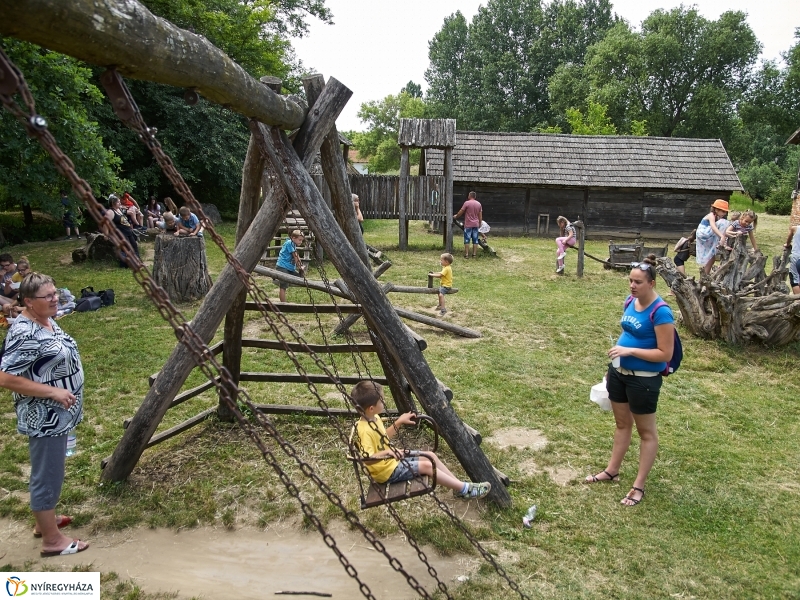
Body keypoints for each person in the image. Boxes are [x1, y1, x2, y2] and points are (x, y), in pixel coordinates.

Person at [0, 272, 89, 556]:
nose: (55, 299)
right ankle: (52, 541)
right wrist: (53, 392)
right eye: (47, 296)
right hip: (45, 416)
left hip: (60, 415)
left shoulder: (45, 320)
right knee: (47, 473)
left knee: (53, 470)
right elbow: (5, 377)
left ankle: (44, 522)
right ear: (28, 301)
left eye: (55, 294)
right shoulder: (25, 332)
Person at [585, 256, 674, 507]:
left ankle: (639, 486)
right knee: (622, 424)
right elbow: (627, 334)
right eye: (630, 281)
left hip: (643, 381)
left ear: (652, 283)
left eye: (638, 282)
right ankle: (612, 470)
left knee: (647, 433)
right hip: (619, 374)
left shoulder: (662, 313)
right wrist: (611, 367)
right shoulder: (630, 302)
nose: (633, 286)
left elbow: (664, 354)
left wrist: (630, 352)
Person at [350, 381, 491, 500]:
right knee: (427, 466)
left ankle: (459, 488)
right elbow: (366, 459)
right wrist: (387, 452)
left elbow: (383, 437)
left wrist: (398, 422)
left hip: (392, 461)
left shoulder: (374, 418)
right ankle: (466, 489)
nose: (384, 401)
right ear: (371, 408)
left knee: (430, 456)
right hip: (386, 472)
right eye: (381, 399)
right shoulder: (364, 430)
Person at [695, 199, 729, 275]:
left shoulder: (718, 217)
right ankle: (722, 242)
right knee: (724, 222)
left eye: (725, 212)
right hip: (703, 232)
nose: (724, 213)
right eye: (723, 211)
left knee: (712, 257)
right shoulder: (711, 215)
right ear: (716, 210)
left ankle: (705, 275)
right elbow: (713, 227)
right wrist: (722, 236)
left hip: (709, 234)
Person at [105, 194, 140, 266]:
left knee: (134, 246)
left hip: (128, 232)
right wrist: (106, 234)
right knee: (126, 248)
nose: (120, 203)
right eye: (118, 202)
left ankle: (137, 262)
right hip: (121, 233)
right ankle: (125, 264)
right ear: (113, 203)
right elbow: (106, 223)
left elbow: (126, 215)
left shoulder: (119, 209)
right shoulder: (110, 212)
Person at [275, 229, 306, 302]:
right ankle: (283, 304)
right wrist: (299, 266)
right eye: (299, 240)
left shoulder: (293, 244)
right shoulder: (289, 243)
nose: (301, 242)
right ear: (293, 238)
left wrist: (300, 266)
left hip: (289, 269)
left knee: (300, 278)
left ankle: (277, 277)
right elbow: (295, 256)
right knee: (283, 285)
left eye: (302, 240)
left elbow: (297, 256)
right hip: (282, 267)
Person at [454, 191, 482, 259]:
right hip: (475, 224)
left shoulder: (467, 203)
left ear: (470, 196)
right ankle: (474, 254)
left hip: (468, 224)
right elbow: (480, 215)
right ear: (475, 197)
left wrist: (456, 216)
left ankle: (466, 254)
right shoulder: (479, 204)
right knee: (475, 240)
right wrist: (480, 223)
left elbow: (461, 211)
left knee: (467, 239)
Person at [785, 222, 800, 295]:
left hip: (796, 257)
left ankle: (798, 301)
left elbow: (788, 240)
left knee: (795, 280)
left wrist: (787, 244)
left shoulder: (795, 228)